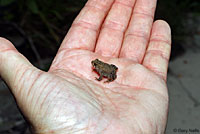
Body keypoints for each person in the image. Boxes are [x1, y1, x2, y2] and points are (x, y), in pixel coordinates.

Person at [0, 0, 171, 133]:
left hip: (110, 70)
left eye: (95, 64)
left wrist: (102, 79)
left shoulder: (100, 71)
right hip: (110, 68)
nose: (93, 65)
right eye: (95, 63)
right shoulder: (99, 66)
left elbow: (107, 73)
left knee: (111, 72)